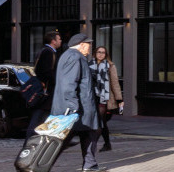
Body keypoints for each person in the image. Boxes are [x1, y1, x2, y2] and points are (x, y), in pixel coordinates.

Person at [49, 32, 102, 172]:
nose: (90, 48)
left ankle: (90, 164)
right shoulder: (74, 56)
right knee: (62, 140)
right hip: (77, 108)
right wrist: (72, 107)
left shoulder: (70, 55)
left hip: (81, 107)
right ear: (81, 45)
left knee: (90, 133)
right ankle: (39, 164)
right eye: (88, 44)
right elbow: (69, 84)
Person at [92, 44, 124, 152]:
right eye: (99, 52)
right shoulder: (90, 65)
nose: (100, 54)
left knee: (99, 121)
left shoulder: (110, 66)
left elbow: (115, 83)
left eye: (103, 52)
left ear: (106, 55)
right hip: (93, 97)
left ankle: (93, 144)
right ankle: (107, 144)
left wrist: (119, 99)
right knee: (102, 122)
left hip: (105, 98)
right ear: (95, 54)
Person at [29, 30, 62, 129]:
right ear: (53, 41)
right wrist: (56, 83)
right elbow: (47, 72)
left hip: (45, 90)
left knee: (42, 117)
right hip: (47, 91)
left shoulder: (44, 50)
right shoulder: (48, 52)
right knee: (39, 117)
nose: (61, 41)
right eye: (59, 39)